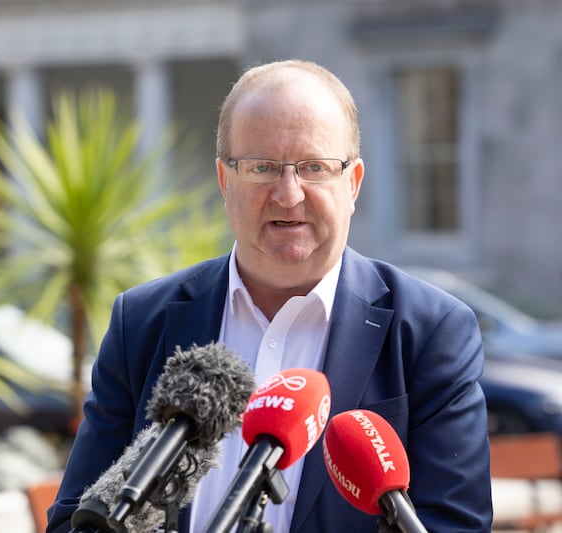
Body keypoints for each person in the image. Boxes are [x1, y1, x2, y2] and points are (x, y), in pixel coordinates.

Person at [47, 59, 492, 532]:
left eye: (314, 167)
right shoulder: (142, 321)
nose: (288, 193)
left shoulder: (429, 331)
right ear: (225, 180)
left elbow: (454, 524)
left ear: (353, 182)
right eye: (262, 167)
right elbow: (75, 519)